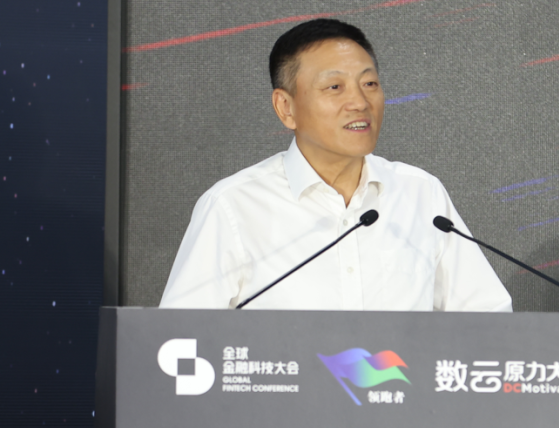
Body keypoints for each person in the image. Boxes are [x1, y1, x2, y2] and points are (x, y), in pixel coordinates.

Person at [159, 19, 512, 311]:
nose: (359, 102)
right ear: (286, 108)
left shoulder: (421, 194)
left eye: (369, 83)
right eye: (334, 87)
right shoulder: (233, 206)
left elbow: (488, 318)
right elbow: (181, 342)